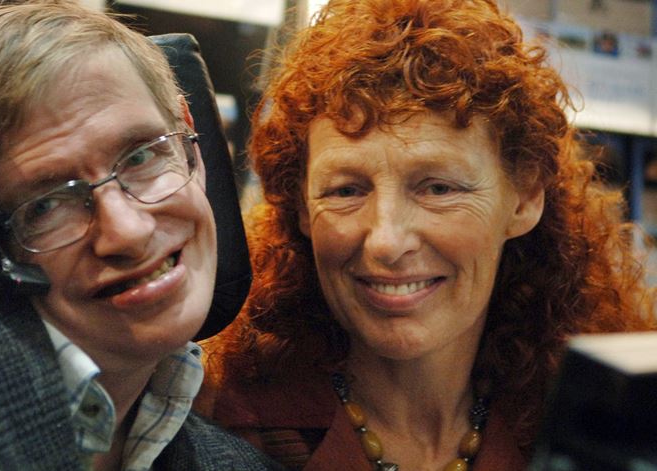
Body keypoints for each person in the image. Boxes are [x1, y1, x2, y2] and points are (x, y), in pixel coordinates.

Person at [0, 2, 282, 470]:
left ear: (191, 139)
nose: (128, 232)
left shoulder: (235, 461)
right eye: (47, 204)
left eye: (141, 157)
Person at [197, 0, 656, 470]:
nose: (386, 241)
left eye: (438, 188)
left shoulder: (595, 432)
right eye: (346, 190)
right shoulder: (219, 428)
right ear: (300, 210)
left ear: (525, 199)